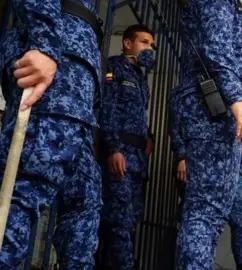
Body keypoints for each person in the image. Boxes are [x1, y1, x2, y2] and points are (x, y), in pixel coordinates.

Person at [0, 0, 103, 269]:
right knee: (22, 192)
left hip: (75, 82)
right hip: (57, 68)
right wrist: (43, 42)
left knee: (85, 201)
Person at [170, 0, 242, 269]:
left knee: (211, 212)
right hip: (213, 109)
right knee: (205, 211)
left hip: (218, 113)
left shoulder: (234, 7)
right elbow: (216, 50)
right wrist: (239, 104)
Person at [98, 24, 155, 270]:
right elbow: (107, 109)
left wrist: (148, 136)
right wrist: (113, 148)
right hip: (119, 155)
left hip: (136, 162)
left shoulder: (141, 79)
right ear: (128, 43)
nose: (149, 48)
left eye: (151, 44)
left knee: (128, 222)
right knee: (118, 223)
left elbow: (138, 116)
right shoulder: (114, 68)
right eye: (144, 42)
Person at [173, 153, 242, 270]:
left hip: (229, 170)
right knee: (199, 229)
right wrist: (182, 156)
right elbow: (178, 135)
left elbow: (237, 144)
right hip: (200, 166)